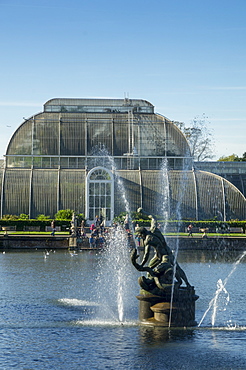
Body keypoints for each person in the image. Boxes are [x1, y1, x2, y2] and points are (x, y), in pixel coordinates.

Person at [136, 209, 191, 287]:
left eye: (139, 235)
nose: (139, 236)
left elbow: (146, 254)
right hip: (158, 256)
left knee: (175, 268)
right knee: (150, 270)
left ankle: (186, 283)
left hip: (166, 255)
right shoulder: (154, 229)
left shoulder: (147, 240)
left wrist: (141, 265)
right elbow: (153, 217)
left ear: (142, 233)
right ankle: (153, 284)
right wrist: (144, 212)